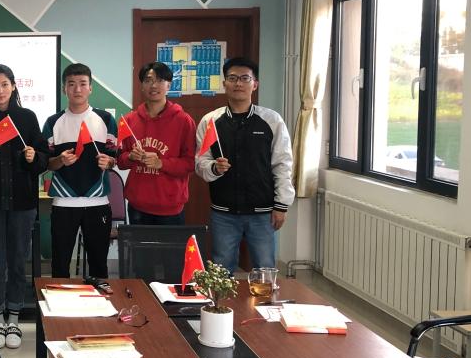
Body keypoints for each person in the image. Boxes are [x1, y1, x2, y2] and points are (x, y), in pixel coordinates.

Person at [0, 65, 48, 349]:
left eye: (4, 84)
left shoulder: (27, 118)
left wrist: (33, 156)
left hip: (22, 204)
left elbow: (43, 158)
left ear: (13, 86)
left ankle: (14, 317)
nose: (0, 90)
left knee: (17, 262)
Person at [195, 57, 295, 273]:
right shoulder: (210, 121)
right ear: (224, 84)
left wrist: (281, 205)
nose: (238, 83)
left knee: (265, 270)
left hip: (262, 212)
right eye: (232, 78)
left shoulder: (271, 120)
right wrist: (214, 168)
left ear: (255, 84)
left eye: (244, 78)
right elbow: (201, 162)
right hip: (223, 212)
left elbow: (283, 164)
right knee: (221, 272)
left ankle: (265, 297)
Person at [43, 63, 118, 279]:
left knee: (99, 266)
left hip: (98, 202)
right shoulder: (53, 122)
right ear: (64, 89)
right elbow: (46, 163)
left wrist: (108, 162)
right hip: (63, 204)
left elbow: (115, 159)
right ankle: (59, 302)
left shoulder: (105, 120)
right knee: (60, 266)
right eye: (71, 84)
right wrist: (60, 160)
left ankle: (99, 302)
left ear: (91, 88)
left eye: (83, 84)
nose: (77, 89)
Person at [116, 62, 196, 224]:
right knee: (139, 243)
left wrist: (161, 163)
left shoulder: (184, 121)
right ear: (142, 86)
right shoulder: (129, 121)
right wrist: (131, 157)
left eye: (160, 80)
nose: (153, 85)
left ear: (169, 85)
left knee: (170, 243)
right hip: (137, 206)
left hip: (171, 207)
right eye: (148, 80)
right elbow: (120, 162)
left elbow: (191, 163)